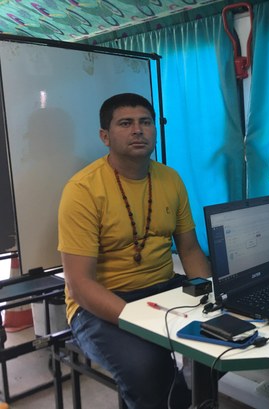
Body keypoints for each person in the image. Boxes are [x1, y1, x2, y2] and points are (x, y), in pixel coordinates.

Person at [58, 93, 211, 409]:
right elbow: (80, 284)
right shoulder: (83, 190)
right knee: (148, 367)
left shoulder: (171, 179)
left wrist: (211, 296)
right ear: (105, 136)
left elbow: (191, 249)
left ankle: (180, 399)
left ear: (155, 129)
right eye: (125, 123)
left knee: (222, 343)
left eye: (145, 122)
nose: (137, 130)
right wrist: (136, 319)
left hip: (160, 291)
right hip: (98, 303)